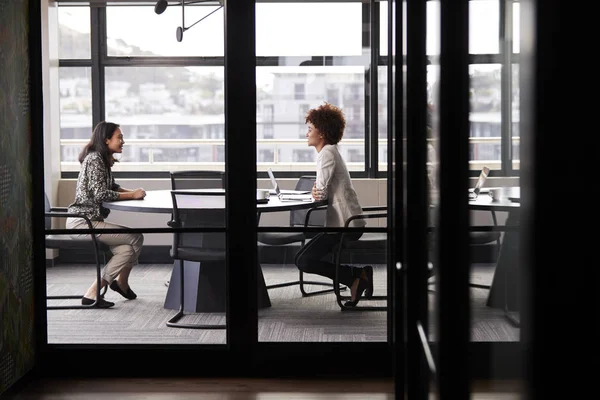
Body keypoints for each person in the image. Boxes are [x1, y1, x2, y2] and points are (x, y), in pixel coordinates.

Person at [294, 103, 373, 307]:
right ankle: (356, 275)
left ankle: (355, 277)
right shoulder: (330, 151)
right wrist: (316, 191)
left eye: (310, 129)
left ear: (322, 133)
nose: (307, 133)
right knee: (302, 259)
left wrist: (315, 192)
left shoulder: (327, 153)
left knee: (303, 260)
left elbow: (320, 192)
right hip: (344, 223)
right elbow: (322, 190)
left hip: (345, 225)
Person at [66, 121, 146, 308]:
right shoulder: (95, 160)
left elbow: (112, 187)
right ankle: (119, 283)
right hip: (82, 223)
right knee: (135, 237)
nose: (123, 141)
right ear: (106, 139)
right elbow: (100, 194)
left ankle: (93, 293)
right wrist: (132, 195)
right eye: (120, 137)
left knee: (125, 250)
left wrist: (132, 192)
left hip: (91, 221)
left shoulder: (101, 159)